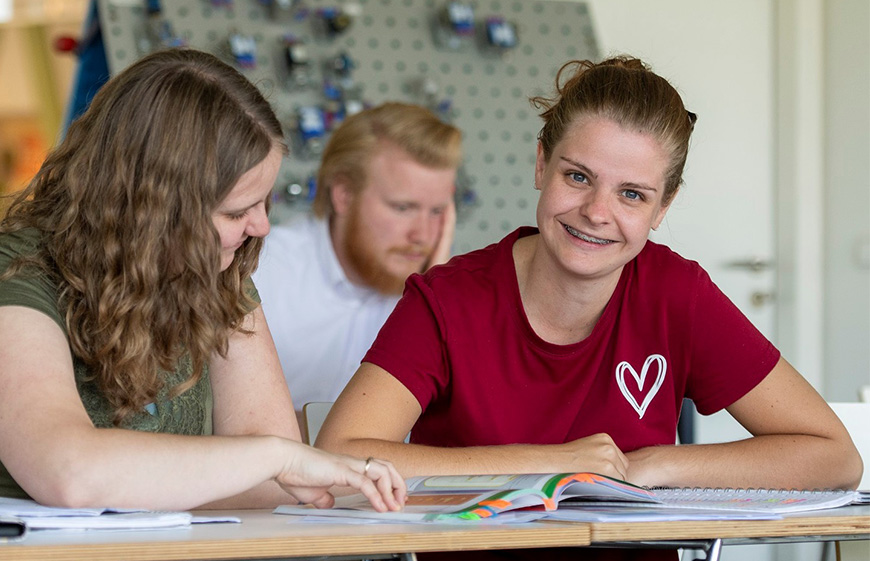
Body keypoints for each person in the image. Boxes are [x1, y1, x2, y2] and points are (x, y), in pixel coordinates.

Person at [316, 56, 861, 557]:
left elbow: (834, 456)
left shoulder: (677, 293)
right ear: (540, 166)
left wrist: (653, 465)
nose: (597, 212)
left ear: (662, 207)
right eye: (577, 177)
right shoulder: (448, 298)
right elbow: (341, 455)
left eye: (632, 194)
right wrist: (555, 465)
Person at [0, 48, 405, 512]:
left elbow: (269, 484)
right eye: (236, 211)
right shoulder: (19, 269)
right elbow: (67, 471)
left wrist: (270, 460)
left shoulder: (216, 268)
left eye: (263, 202)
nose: (261, 227)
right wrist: (272, 456)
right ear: (153, 208)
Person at [253, 102, 461, 433]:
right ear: (344, 195)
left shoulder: (435, 290)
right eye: (403, 207)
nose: (422, 235)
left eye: (436, 212)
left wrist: (442, 300)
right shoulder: (260, 273)